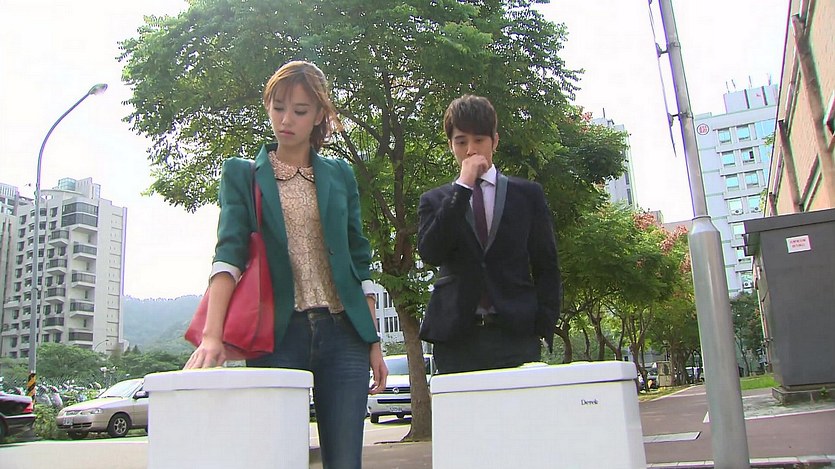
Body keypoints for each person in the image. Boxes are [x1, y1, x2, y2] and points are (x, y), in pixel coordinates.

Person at [185, 60, 388, 469]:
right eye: (278, 107)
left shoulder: (340, 175)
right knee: (278, 457)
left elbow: (358, 259)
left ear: (319, 115)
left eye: (299, 110)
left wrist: (373, 341)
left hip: (344, 334)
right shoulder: (242, 175)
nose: (286, 120)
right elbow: (228, 256)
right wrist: (211, 336)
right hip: (277, 334)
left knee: (345, 461)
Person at [417, 94, 562, 374]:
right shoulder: (435, 201)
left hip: (515, 333)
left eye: (479, 140)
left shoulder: (527, 195)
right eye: (461, 142)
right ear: (450, 145)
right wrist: (462, 188)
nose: (471, 150)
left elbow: (546, 264)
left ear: (494, 141)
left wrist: (543, 325)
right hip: (456, 338)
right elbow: (431, 253)